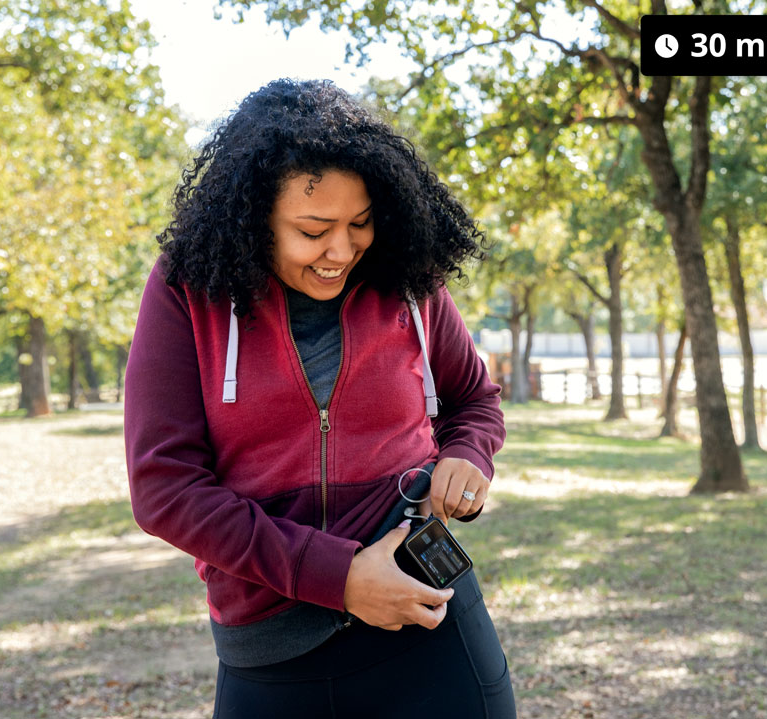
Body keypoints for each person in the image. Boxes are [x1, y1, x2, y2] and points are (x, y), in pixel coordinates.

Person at [124, 78, 516, 718]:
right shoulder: (186, 290)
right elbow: (164, 488)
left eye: (359, 224)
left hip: (429, 623)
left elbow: (473, 399)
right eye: (313, 229)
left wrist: (469, 454)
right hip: (273, 650)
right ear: (254, 219)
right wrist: (341, 578)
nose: (342, 251)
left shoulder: (407, 279)